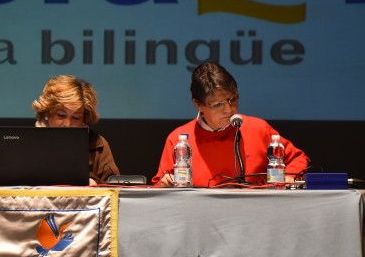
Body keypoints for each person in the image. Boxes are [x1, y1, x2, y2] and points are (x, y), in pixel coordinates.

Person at [152, 62, 309, 187]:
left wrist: (288, 177)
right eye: (218, 104)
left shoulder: (258, 128)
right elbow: (160, 185)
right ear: (198, 104)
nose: (229, 109)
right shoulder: (180, 140)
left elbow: (299, 160)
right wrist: (165, 184)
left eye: (233, 99)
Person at [32, 75, 120, 185]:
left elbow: (114, 189)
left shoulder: (98, 145)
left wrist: (95, 185)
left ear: (84, 118)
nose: (68, 124)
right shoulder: (28, 143)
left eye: (76, 117)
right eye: (61, 115)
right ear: (47, 112)